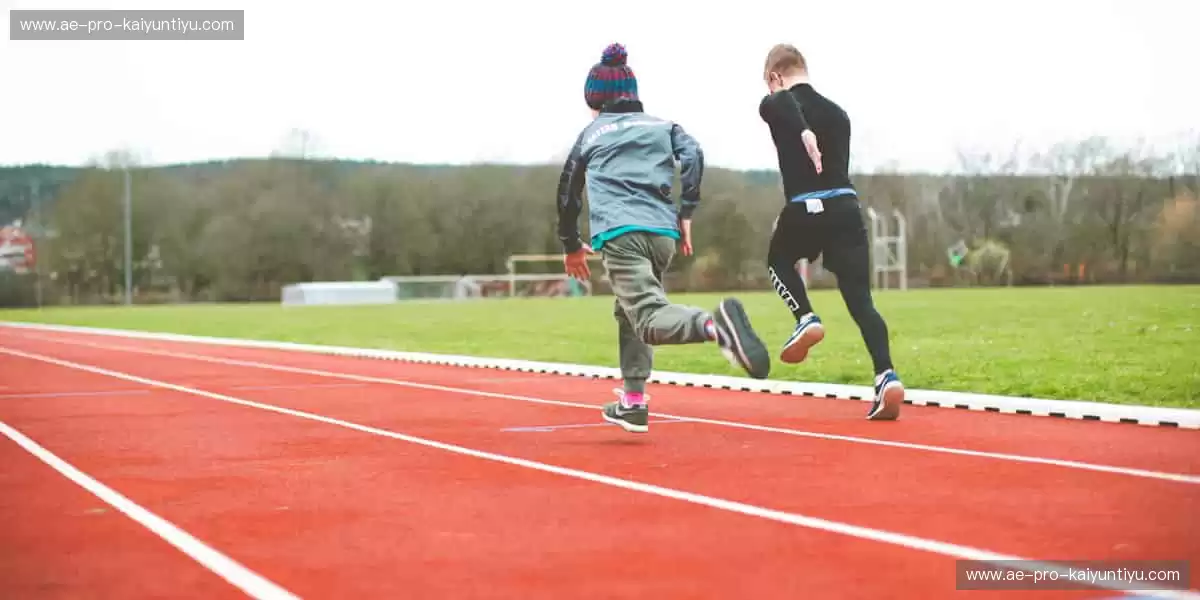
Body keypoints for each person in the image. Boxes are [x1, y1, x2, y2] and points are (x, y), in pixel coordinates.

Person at [557, 43, 771, 434]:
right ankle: (633, 401)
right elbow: (693, 156)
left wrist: (570, 244)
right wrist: (687, 211)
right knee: (630, 310)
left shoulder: (591, 133)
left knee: (649, 316)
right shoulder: (662, 125)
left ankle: (715, 327)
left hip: (621, 234)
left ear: (593, 98)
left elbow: (568, 191)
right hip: (662, 236)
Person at [758, 43, 903, 421]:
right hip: (846, 208)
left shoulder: (776, 102)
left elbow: (781, 105)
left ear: (775, 77)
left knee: (777, 260)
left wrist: (803, 130)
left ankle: (806, 317)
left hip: (807, 205)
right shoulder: (839, 114)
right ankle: (886, 375)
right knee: (862, 302)